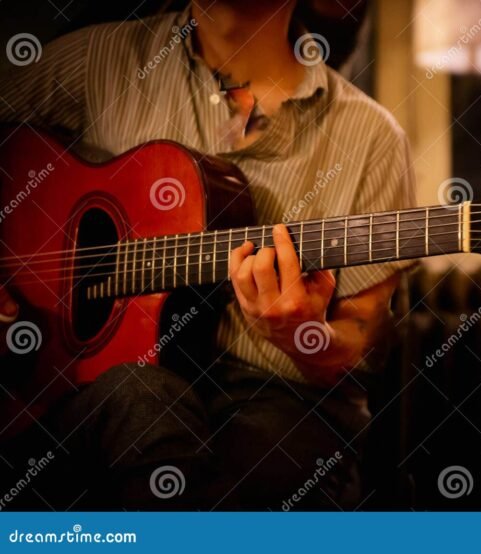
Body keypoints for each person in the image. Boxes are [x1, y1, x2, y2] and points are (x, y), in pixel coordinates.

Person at [0, 0, 415, 509]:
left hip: (280, 395)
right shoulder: (98, 61)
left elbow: (362, 347)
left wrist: (304, 336)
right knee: (139, 398)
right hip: (79, 387)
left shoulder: (371, 136)